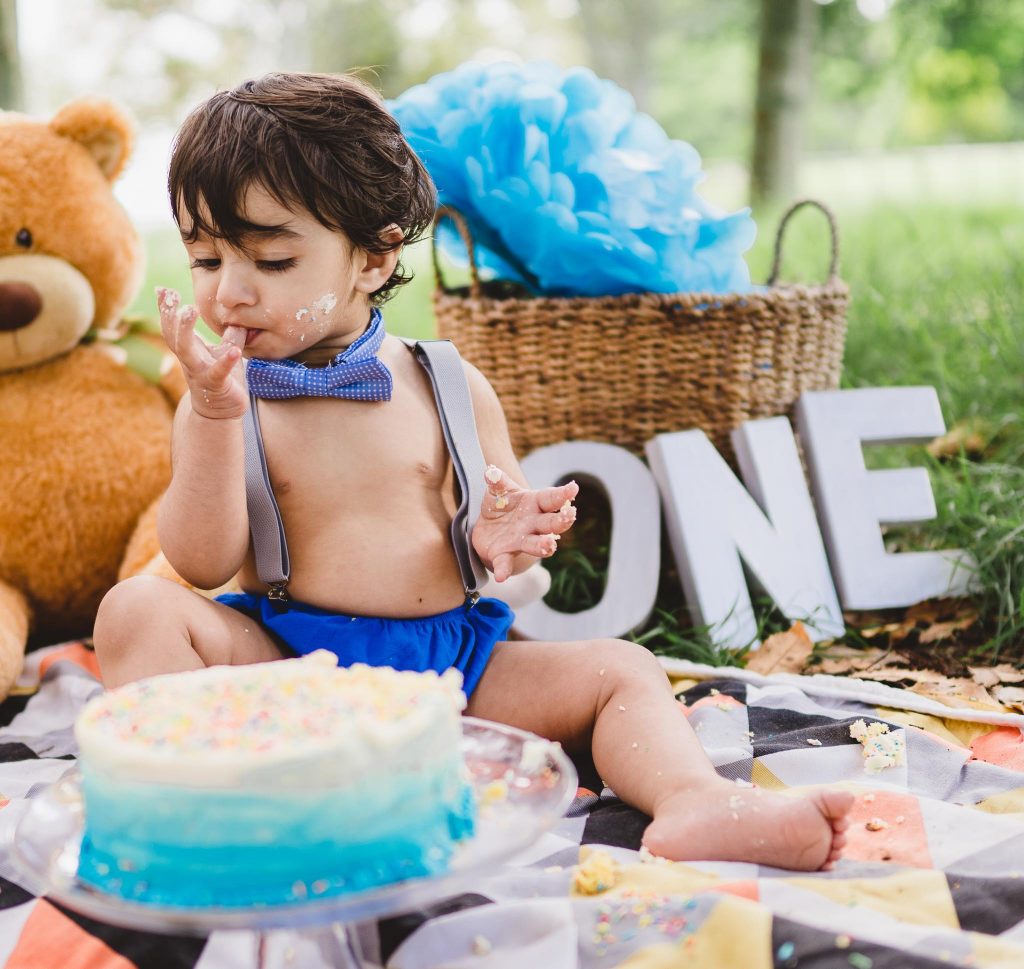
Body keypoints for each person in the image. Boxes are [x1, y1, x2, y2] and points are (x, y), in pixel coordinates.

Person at [93, 72, 852, 870]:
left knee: (620, 668)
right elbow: (202, 561)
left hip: (453, 672)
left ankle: (695, 800)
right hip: (292, 673)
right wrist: (215, 419)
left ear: (376, 258)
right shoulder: (225, 399)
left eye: (273, 260)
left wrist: (504, 536)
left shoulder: (445, 382)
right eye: (206, 259)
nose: (229, 292)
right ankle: (215, 798)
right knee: (137, 610)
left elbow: (508, 549)